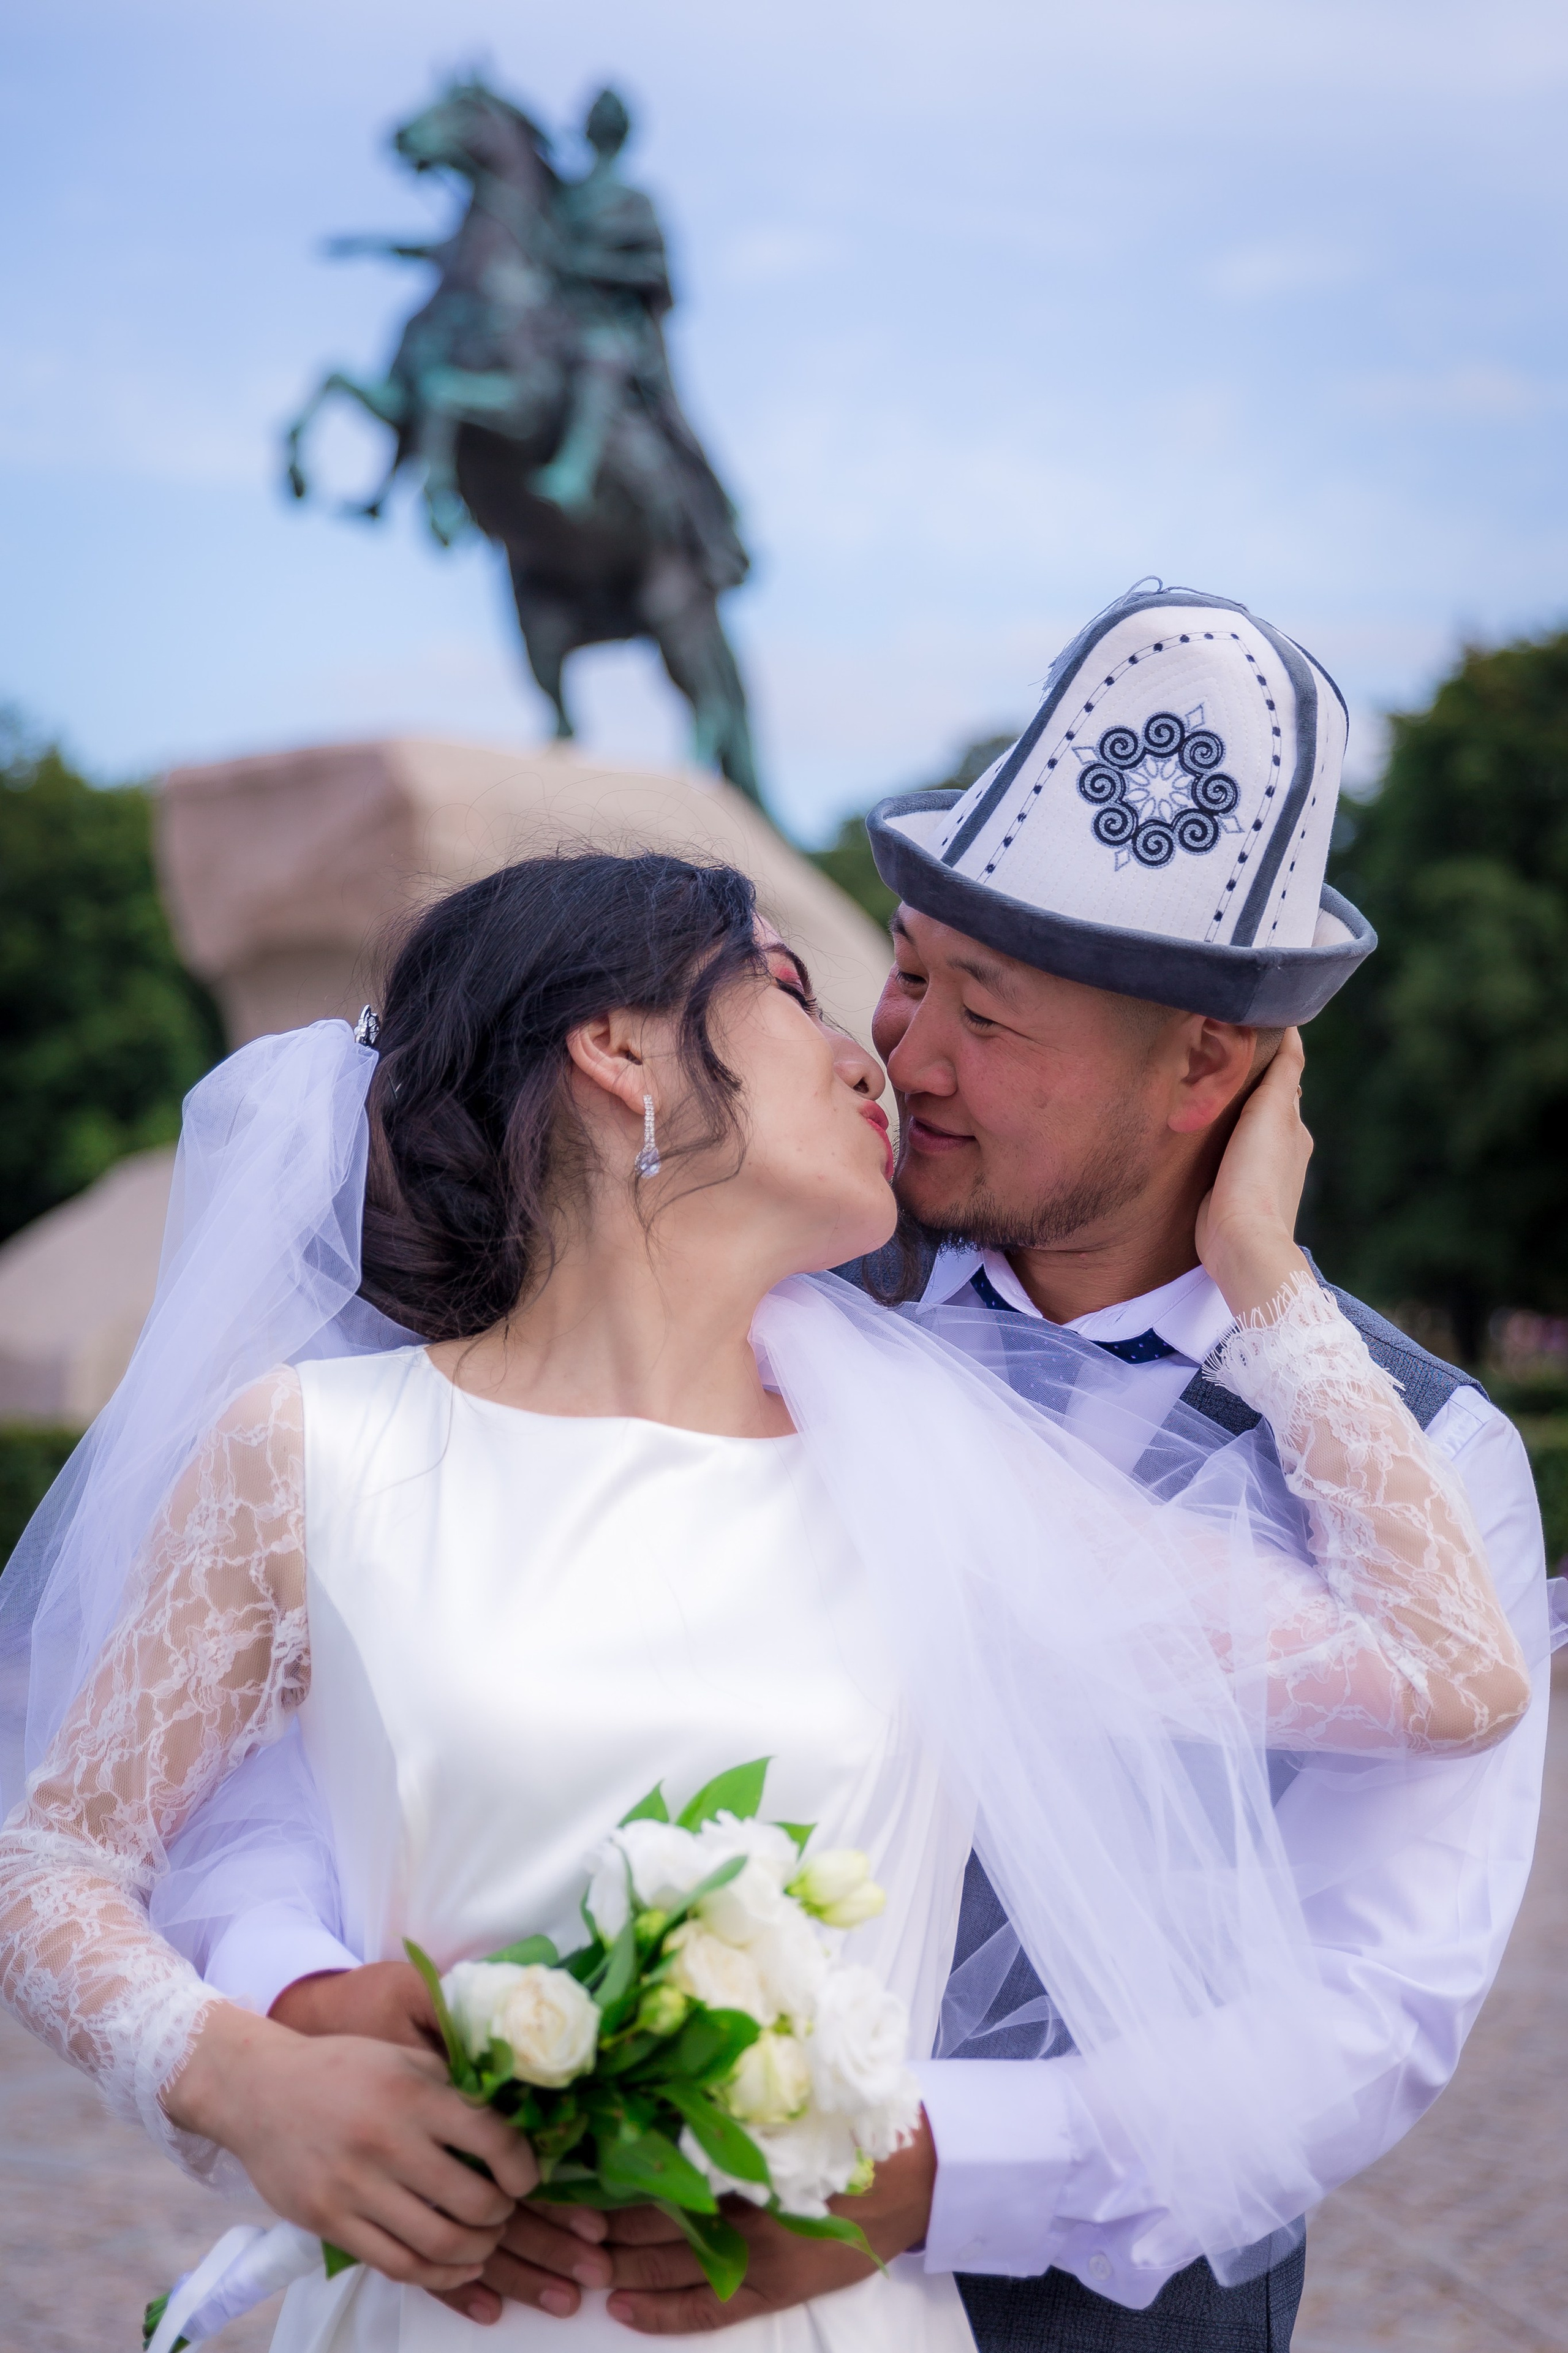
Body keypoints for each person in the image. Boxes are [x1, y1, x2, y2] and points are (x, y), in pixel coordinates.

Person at [0, 605, 1542, 2352]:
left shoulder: (1235, 1450)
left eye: (993, 1009)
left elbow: (1385, 1958)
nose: (903, 1044)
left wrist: (1268, 1286)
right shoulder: (740, 1333)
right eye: (895, 968)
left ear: (1208, 1064)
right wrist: (273, 2036)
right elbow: (249, 1784)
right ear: (621, 1057)